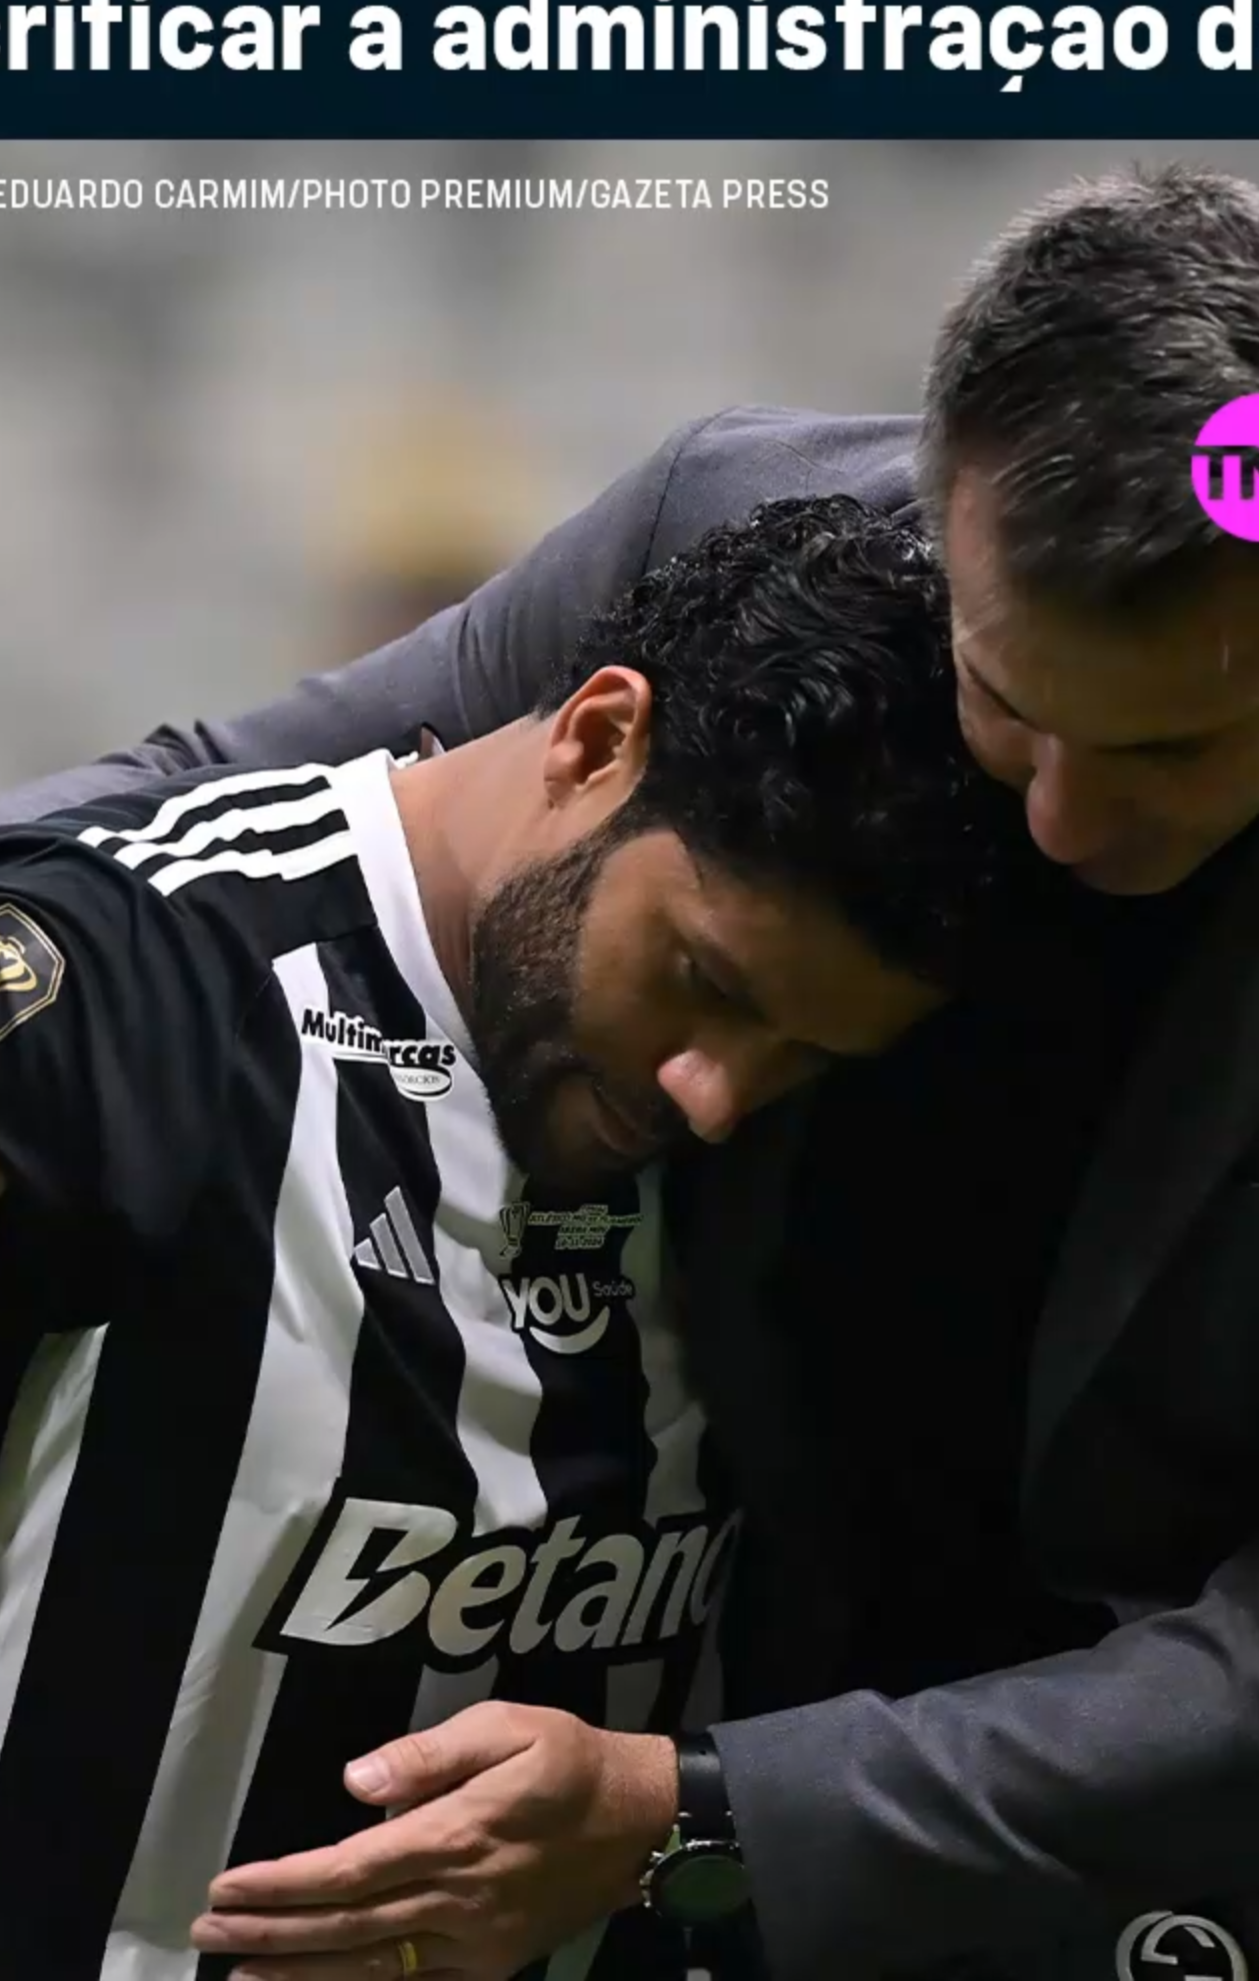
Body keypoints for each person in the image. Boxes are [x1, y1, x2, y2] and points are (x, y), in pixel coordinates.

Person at [7, 159, 1259, 1981]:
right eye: (1002, 703)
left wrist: (698, 1813)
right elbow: (197, 812)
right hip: (733, 1724)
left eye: (1172, 749)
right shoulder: (750, 523)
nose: (1064, 818)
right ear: (938, 514)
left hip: (1248, 1881)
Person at [0, 496, 1026, 1979]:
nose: (714, 1093)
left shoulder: (821, 1157)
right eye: (703, 981)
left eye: (808, 1053)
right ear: (596, 739)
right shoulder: (110, 995)